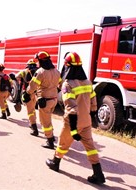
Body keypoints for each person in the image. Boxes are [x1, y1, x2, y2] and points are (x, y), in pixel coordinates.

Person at [46, 52, 105, 185]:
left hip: (73, 122)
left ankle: (55, 163)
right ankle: (98, 174)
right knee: (91, 147)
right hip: (86, 121)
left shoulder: (68, 84)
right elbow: (94, 103)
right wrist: (91, 117)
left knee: (63, 144)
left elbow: (71, 109)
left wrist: (73, 130)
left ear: (68, 67)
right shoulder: (88, 82)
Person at [23, 51, 62, 149]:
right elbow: (60, 85)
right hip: (54, 99)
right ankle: (51, 137)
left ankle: (49, 141)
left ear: (41, 61)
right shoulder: (57, 71)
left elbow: (32, 86)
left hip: (45, 101)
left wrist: (27, 93)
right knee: (48, 119)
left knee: (45, 122)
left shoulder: (40, 72)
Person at [15, 59, 39, 136]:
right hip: (37, 93)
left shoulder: (25, 71)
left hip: (28, 93)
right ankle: (33, 121)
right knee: (33, 109)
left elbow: (16, 76)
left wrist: (22, 78)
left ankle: (34, 127)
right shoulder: (39, 71)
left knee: (30, 111)